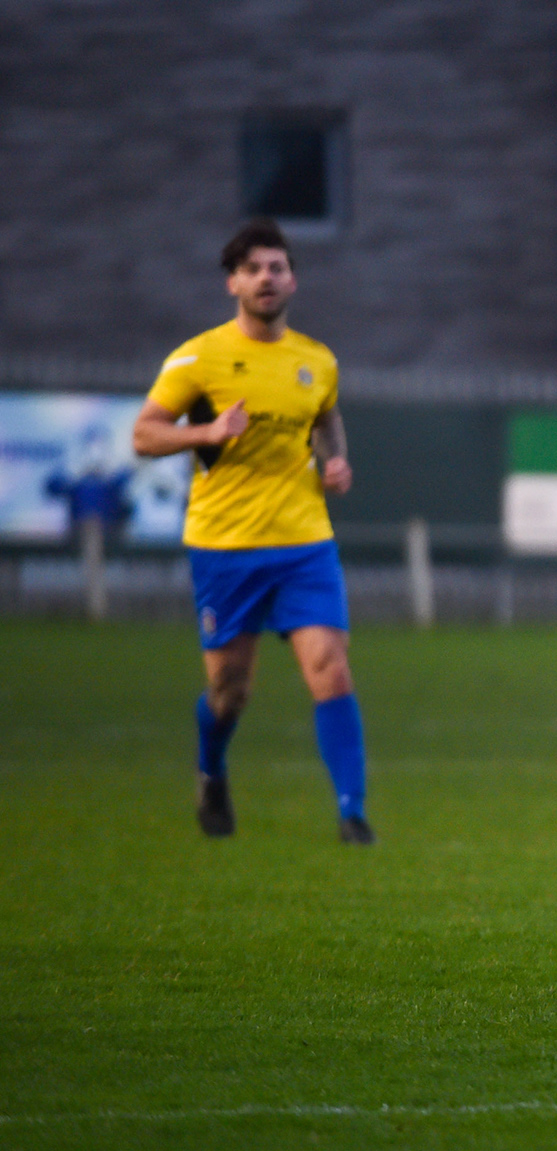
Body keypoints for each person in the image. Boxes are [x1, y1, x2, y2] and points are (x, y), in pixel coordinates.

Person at [132, 218, 374, 844]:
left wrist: (336, 461)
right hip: (225, 545)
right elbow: (144, 434)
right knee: (229, 692)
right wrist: (206, 432)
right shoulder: (199, 357)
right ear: (233, 283)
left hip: (303, 541)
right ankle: (211, 770)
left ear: (293, 279)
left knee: (330, 666)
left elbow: (326, 420)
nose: (267, 278)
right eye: (253, 269)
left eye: (277, 267)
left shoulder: (316, 360)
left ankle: (352, 813)